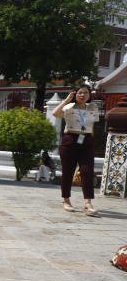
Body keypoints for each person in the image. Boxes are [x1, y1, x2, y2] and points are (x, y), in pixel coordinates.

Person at [52, 86, 99, 215]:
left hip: (87, 140)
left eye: (85, 92)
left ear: (89, 95)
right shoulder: (69, 107)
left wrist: (91, 141)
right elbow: (55, 113)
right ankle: (66, 200)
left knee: (87, 171)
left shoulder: (93, 108)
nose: (82, 95)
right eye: (80, 92)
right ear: (75, 94)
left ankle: (88, 203)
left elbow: (92, 126)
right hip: (70, 140)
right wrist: (66, 100)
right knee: (68, 171)